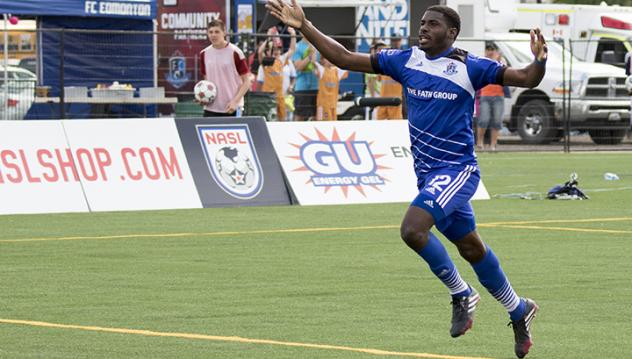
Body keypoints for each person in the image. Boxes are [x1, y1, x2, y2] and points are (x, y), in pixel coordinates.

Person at [266, 2, 547, 358]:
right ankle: (519, 309)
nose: (424, 29)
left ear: (452, 33)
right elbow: (343, 57)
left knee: (412, 230)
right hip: (429, 177)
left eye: (432, 24)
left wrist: (539, 61)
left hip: (458, 171)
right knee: (472, 248)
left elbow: (525, 79)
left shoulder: (470, 66)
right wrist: (304, 25)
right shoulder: (405, 60)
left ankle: (462, 293)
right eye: (423, 23)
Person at [199, 19, 252, 117]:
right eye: (210, 32)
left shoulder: (235, 52)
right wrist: (204, 98)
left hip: (232, 108)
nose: (213, 35)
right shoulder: (204, 54)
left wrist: (235, 102)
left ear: (224, 32)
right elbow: (207, 81)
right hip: (210, 108)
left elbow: (247, 81)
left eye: (217, 32)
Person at [257, 26, 297, 121]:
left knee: (282, 120)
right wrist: (268, 38)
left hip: (280, 96)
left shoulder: (281, 60)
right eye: (274, 49)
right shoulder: (266, 61)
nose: (277, 51)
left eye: (279, 49)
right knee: (269, 119)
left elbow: (292, 50)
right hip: (268, 97)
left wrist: (293, 35)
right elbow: (260, 52)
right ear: (269, 50)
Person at [476, 43, 506, 151]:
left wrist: (498, 59)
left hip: (499, 95)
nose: (490, 51)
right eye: (488, 49)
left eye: (492, 49)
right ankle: (480, 142)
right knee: (483, 120)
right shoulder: (482, 61)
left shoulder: (501, 61)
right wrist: (493, 59)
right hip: (485, 94)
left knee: (497, 121)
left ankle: (493, 144)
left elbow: (504, 71)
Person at [292, 35, 320, 121]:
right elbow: (298, 67)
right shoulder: (297, 47)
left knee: (317, 116)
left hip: (317, 87)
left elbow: (323, 64)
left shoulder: (318, 45)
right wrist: (310, 56)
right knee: (300, 116)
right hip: (302, 88)